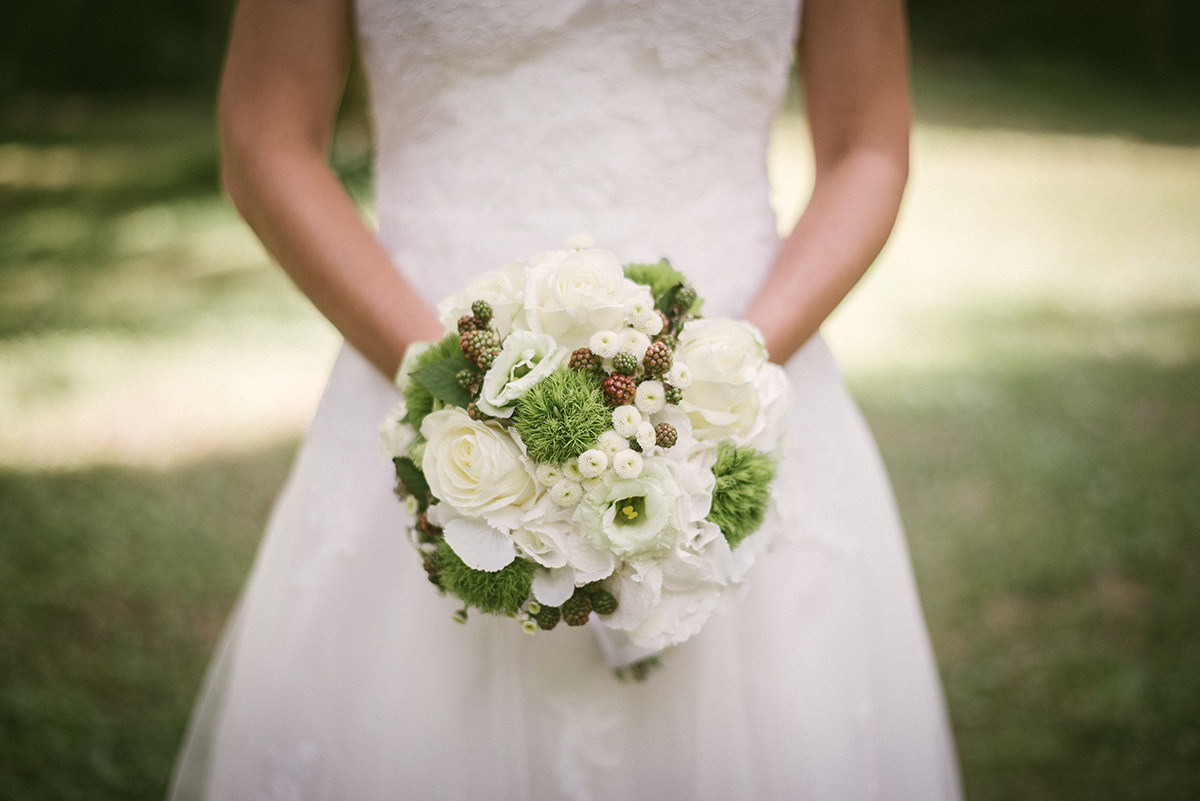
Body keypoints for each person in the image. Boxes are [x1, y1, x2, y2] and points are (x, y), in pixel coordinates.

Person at [169, 0, 963, 798]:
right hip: (423, 371)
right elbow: (265, 137)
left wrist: (716, 385)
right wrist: (464, 402)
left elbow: (869, 145)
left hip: (744, 364)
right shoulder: (447, 395)